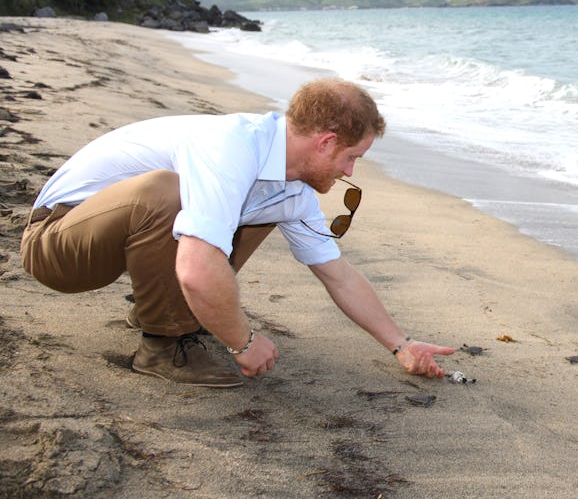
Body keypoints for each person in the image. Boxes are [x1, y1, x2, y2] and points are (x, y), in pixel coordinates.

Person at [20, 78, 454, 388]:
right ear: (324, 142)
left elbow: (338, 274)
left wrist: (403, 346)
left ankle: (162, 314)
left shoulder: (291, 188)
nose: (349, 171)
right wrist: (241, 342)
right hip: (57, 243)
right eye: (351, 157)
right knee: (168, 193)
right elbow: (193, 268)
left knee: (256, 211)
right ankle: (162, 345)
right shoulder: (230, 146)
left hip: (120, 239)